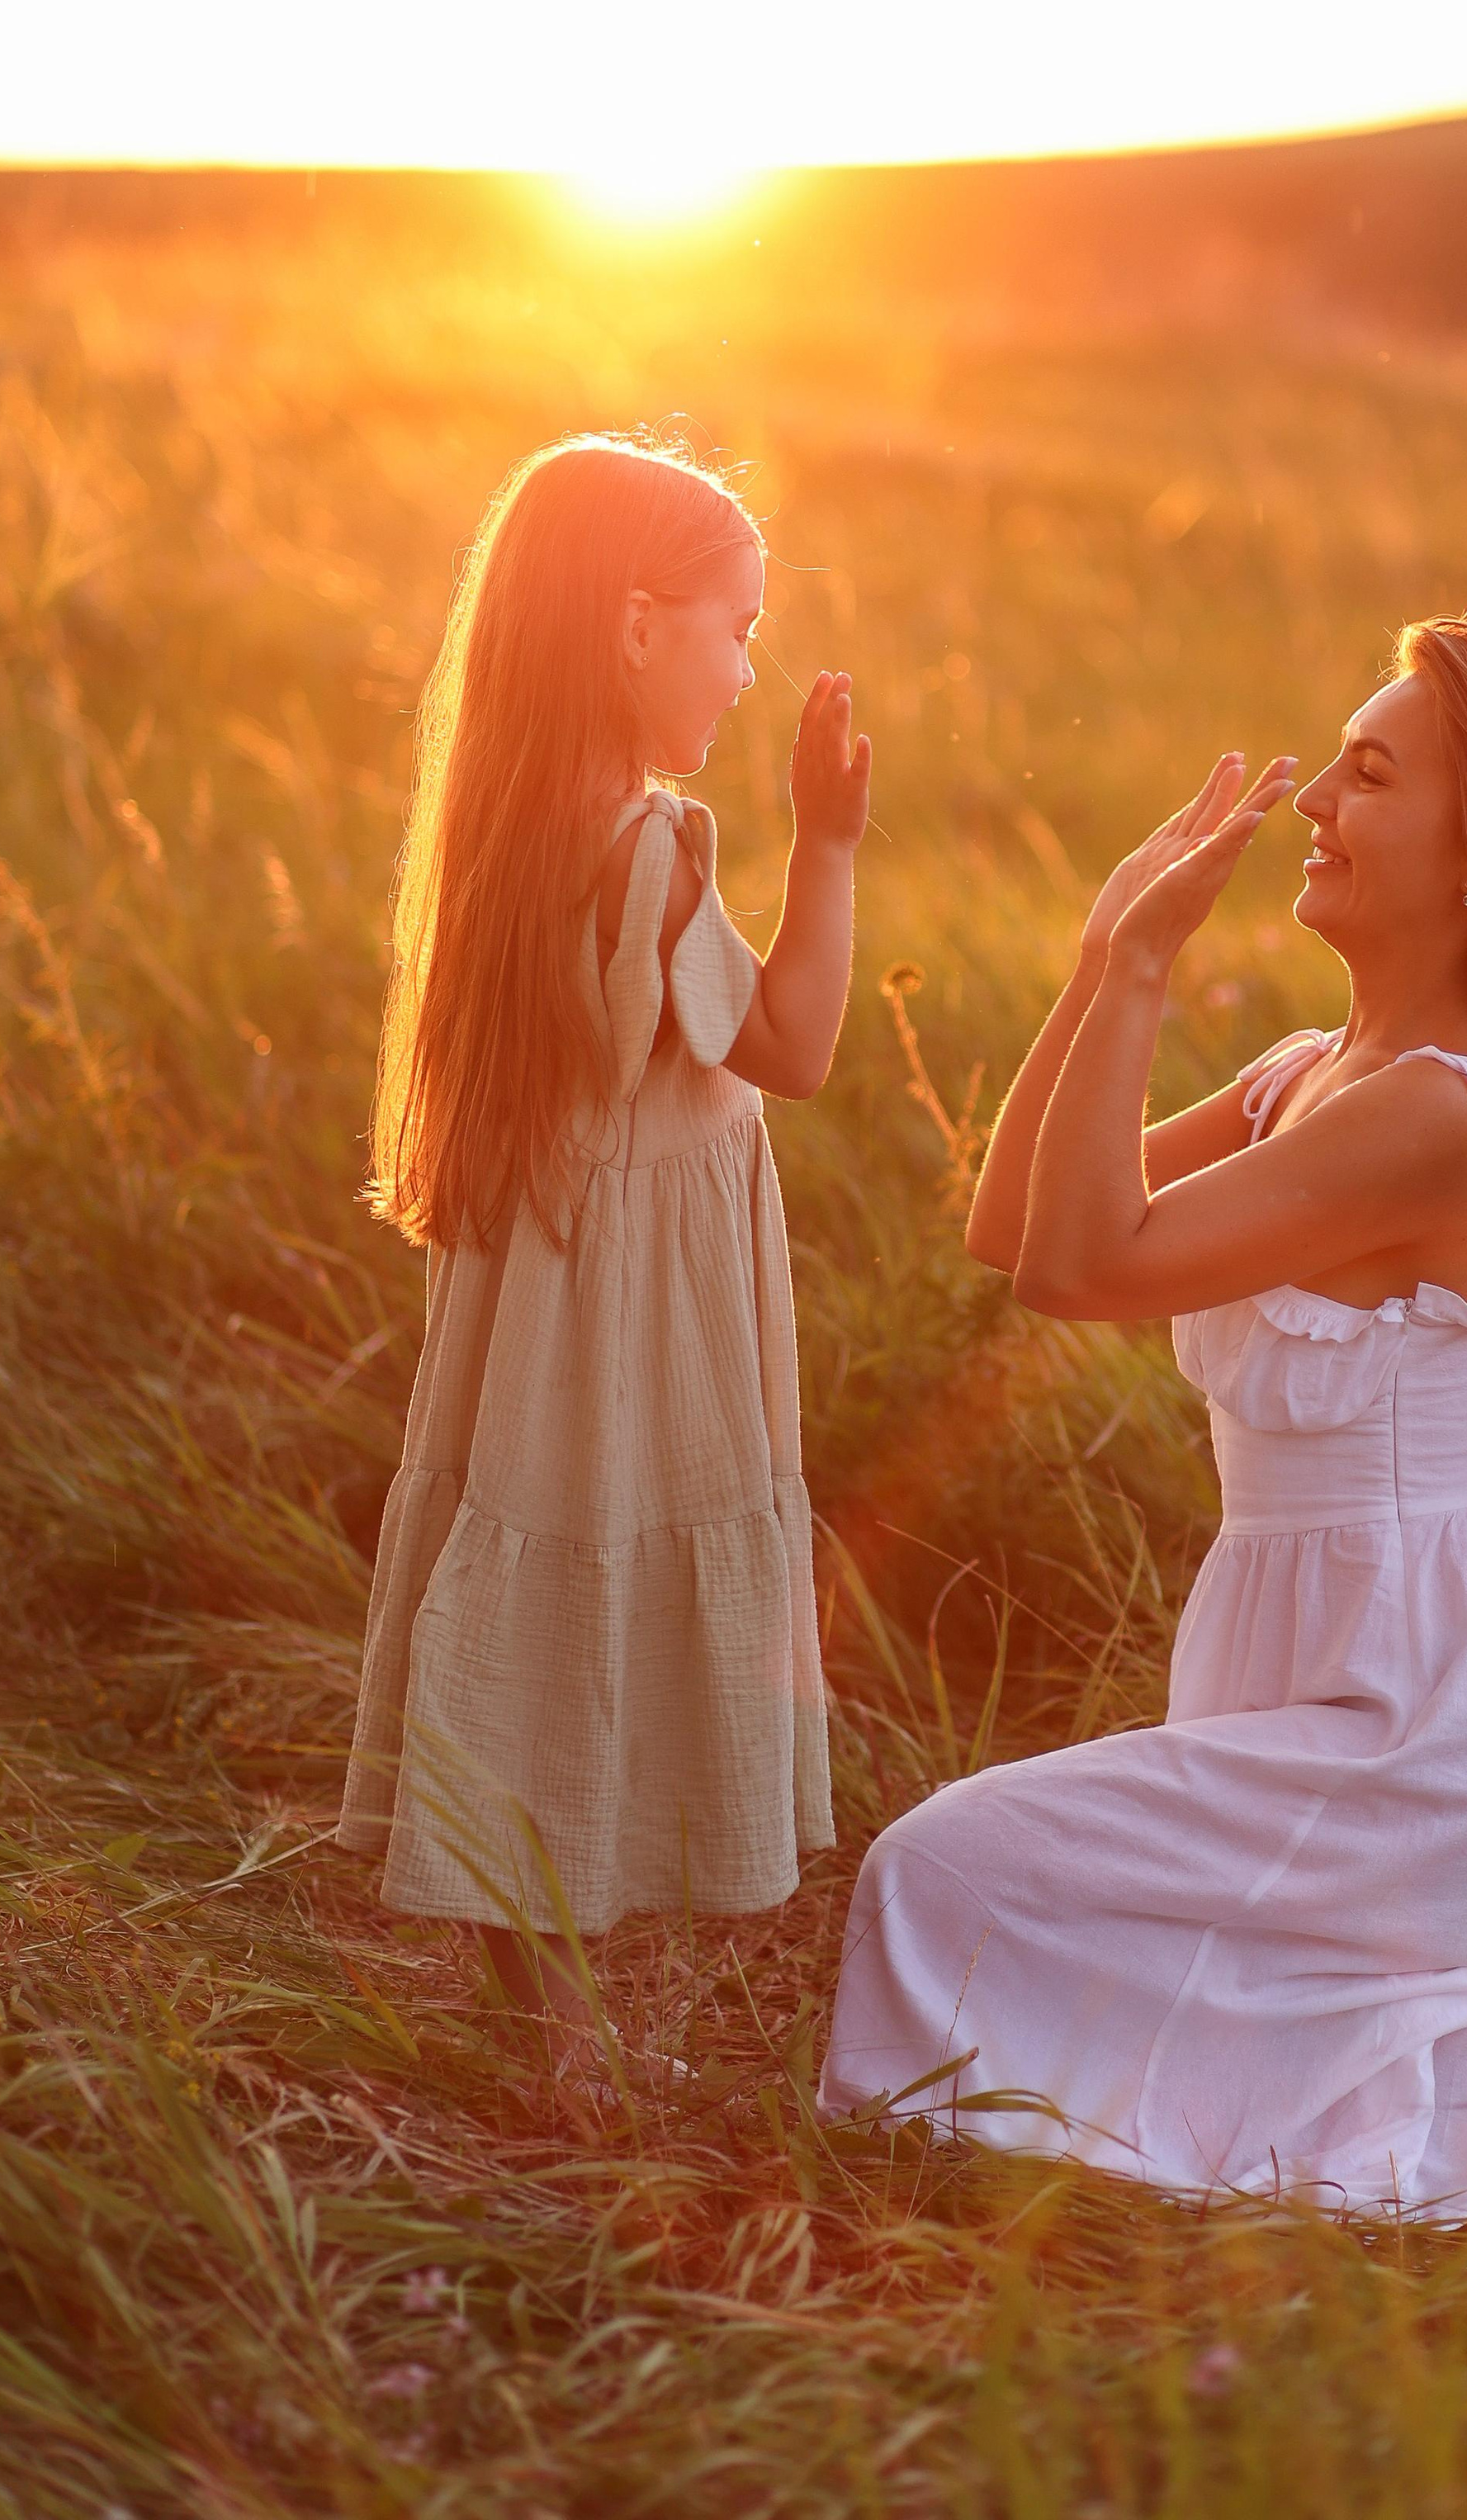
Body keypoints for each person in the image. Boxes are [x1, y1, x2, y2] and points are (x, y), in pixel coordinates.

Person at [819, 615, 1467, 2220]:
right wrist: (1104, 954)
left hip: (1412, 1720)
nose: (1310, 796)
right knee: (1078, 1938)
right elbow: (1007, 1221)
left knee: (935, 1876)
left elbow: (1081, 1267)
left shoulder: (1438, 1118)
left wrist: (1135, 969)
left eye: (1367, 774)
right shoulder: (1309, 1073)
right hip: (1294, 1674)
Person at [338, 433, 871, 2077]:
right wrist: (828, 838)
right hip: (637, 1311)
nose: (745, 663)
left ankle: (541, 2012)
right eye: (735, 623)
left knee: (546, 1585)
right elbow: (791, 1043)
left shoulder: (511, 828)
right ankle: (568, 2049)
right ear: (637, 627)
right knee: (609, 1590)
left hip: (539, 1299)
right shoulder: (646, 847)